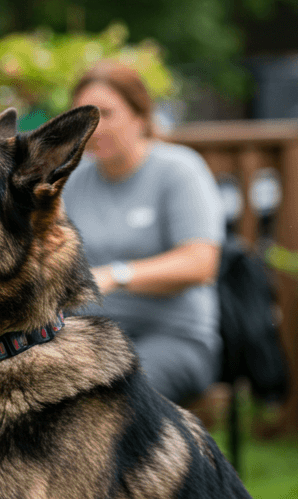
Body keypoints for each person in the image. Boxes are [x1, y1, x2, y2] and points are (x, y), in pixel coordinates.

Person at [62, 61, 224, 405]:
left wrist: (116, 275)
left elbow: (200, 263)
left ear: (140, 116)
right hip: (90, 335)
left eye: (106, 113)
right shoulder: (74, 181)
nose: (94, 127)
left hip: (175, 337)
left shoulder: (179, 170)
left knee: (115, 399)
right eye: (84, 115)